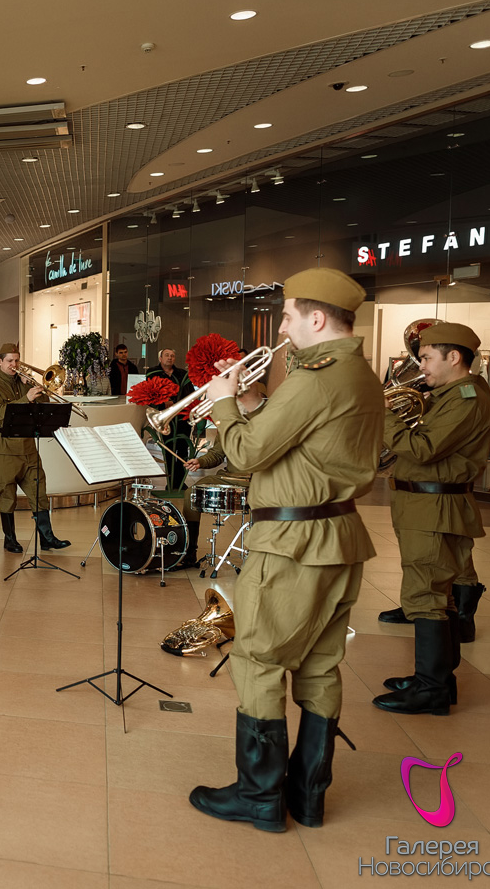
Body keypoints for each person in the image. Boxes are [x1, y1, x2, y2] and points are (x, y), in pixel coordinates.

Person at [188, 268, 382, 833]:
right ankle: (307, 795)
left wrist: (225, 404)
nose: (281, 328)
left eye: (288, 316)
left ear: (316, 319)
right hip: (338, 536)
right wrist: (252, 401)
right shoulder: (358, 374)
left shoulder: (315, 378)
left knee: (257, 660)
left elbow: (248, 454)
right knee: (320, 665)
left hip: (293, 544)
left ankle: (259, 797)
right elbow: (302, 444)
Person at [370, 323, 490, 716]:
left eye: (426, 358)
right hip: (428, 506)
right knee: (439, 596)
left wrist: (383, 415)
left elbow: (423, 448)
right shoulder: (451, 395)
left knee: (424, 597)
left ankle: (432, 690)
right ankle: (437, 679)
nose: (421, 366)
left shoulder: (465, 398)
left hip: (434, 508)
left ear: (454, 357)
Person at [0, 344, 71, 554]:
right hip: (6, 448)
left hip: (29, 446)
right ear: (0, 362)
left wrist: (34, 386)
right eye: (10, 361)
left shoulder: (25, 383)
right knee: (7, 495)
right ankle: (9, 539)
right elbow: (1, 414)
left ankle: (47, 538)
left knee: (39, 492)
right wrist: (26, 398)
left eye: (17, 360)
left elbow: (45, 404)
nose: (14, 365)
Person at [181, 382, 266, 569]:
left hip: (261, 479)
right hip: (230, 477)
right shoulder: (229, 420)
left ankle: (262, 556)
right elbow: (218, 453)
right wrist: (200, 462)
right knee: (191, 493)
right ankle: (189, 553)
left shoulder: (267, 417)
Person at [147, 347, 195, 491]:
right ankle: (170, 481)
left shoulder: (182, 374)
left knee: (183, 449)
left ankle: (180, 482)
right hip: (165, 417)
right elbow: (150, 391)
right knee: (168, 450)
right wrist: (163, 402)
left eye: (172, 356)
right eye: (167, 355)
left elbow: (190, 393)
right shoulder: (153, 372)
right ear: (160, 358)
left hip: (182, 417)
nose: (170, 358)